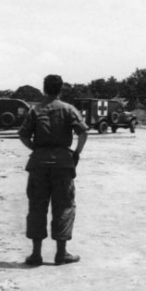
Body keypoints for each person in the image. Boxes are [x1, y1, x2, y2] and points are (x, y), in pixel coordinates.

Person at [18, 74, 88, 266]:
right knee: (64, 205)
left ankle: (36, 255)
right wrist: (76, 153)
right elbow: (83, 133)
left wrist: (36, 149)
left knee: (37, 206)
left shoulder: (35, 110)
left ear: (44, 89)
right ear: (60, 89)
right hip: (63, 164)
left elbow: (23, 135)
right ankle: (61, 253)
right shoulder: (68, 109)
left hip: (39, 164)